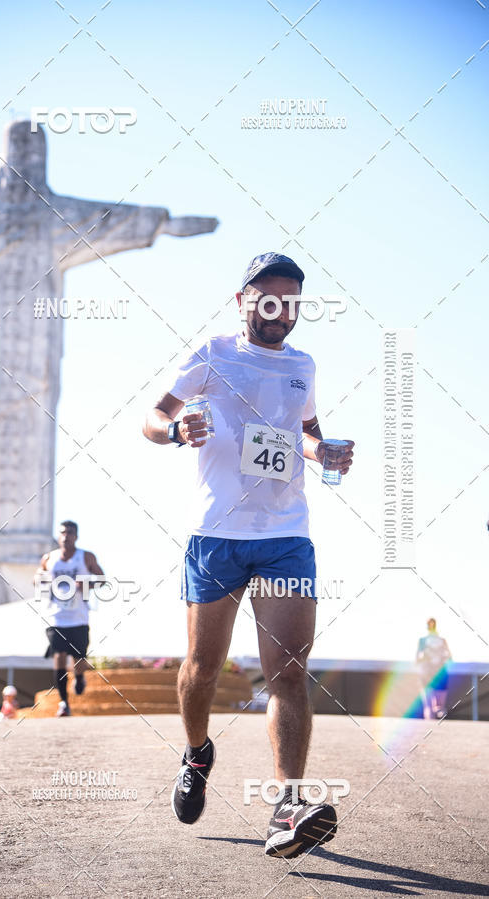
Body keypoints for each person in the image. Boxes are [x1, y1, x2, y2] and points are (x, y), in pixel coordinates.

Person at [143, 252, 355, 859]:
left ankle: (288, 807)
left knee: (287, 672)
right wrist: (176, 432)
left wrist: (324, 452)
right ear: (243, 301)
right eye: (269, 300)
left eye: (291, 303)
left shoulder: (302, 366)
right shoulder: (212, 354)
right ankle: (197, 753)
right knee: (202, 667)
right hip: (216, 536)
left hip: (286, 536)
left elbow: (306, 433)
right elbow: (153, 418)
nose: (281, 313)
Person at [35, 521, 104, 717]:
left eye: (70, 532)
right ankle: (64, 702)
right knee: (59, 656)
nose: (66, 536)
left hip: (78, 617)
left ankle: (79, 677)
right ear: (59, 536)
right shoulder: (49, 558)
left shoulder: (86, 557)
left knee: (79, 658)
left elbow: (102, 579)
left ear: (76, 536)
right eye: (63, 533)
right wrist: (40, 580)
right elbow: (36, 578)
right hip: (56, 616)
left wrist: (87, 584)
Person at [416, 618, 451, 719]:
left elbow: (418, 658)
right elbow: (449, 657)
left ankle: (433, 719)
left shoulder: (425, 641)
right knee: (436, 707)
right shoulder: (440, 640)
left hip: (432, 673)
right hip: (435, 672)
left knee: (433, 707)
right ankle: (434, 718)